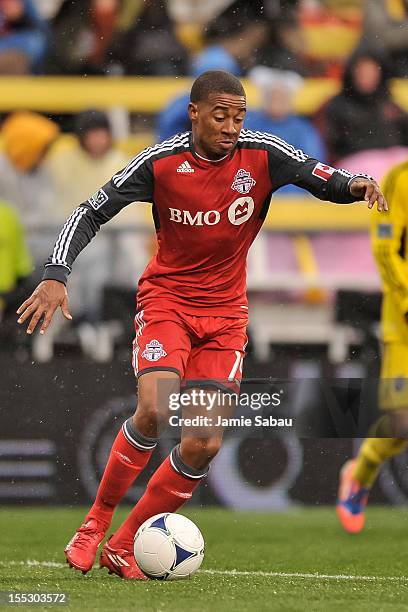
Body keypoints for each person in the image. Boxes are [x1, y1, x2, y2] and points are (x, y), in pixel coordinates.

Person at [17, 70, 386, 580]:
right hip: (168, 302)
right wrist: (57, 274)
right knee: (154, 408)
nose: (232, 125)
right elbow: (90, 211)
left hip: (226, 315)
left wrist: (355, 184)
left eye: (239, 115)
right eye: (220, 115)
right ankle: (94, 524)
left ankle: (124, 544)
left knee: (204, 442)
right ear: (194, 113)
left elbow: (318, 176)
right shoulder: (161, 162)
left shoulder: (261, 153)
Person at [337, 159, 408, 534]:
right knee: (401, 424)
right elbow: (386, 248)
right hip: (404, 323)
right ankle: (360, 474)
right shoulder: (400, 179)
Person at [316, 48, 408, 164]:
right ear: (352, 73)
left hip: (393, 164)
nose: (366, 77)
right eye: (362, 72)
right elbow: (325, 146)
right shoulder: (335, 106)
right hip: (354, 168)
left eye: (371, 72)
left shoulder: (389, 105)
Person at [245, 67, 326, 194]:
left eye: (281, 98)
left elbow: (313, 164)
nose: (276, 102)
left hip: (293, 193)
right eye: (273, 97)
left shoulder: (303, 129)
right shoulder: (250, 123)